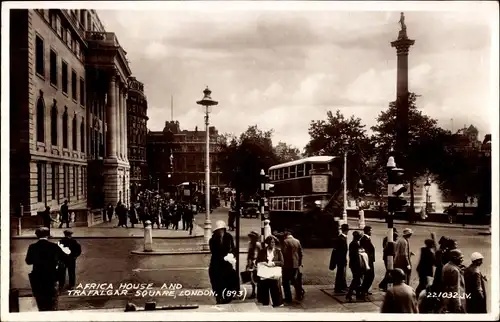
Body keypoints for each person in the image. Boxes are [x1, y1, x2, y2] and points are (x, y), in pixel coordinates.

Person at [25, 227, 69, 311]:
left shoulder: (32, 247)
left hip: (37, 277)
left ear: (37, 235)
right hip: (51, 276)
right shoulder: (54, 246)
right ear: (48, 236)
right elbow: (65, 259)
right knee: (52, 302)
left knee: (41, 301)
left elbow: (28, 261)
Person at [208, 220, 239, 304]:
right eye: (219, 230)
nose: (221, 232)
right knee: (216, 280)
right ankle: (218, 296)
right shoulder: (212, 240)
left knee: (232, 277)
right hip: (217, 262)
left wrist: (231, 255)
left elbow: (233, 247)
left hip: (227, 263)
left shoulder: (228, 237)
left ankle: (228, 295)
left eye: (222, 229)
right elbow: (214, 252)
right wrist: (223, 257)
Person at [257, 235, 284, 307]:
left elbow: (282, 262)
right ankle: (265, 303)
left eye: (274, 242)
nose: (273, 244)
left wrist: (273, 263)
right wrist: (263, 263)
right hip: (265, 273)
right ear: (268, 243)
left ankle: (276, 303)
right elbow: (258, 261)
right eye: (271, 242)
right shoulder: (262, 251)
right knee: (264, 289)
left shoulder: (278, 251)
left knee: (275, 289)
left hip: (273, 273)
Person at [282, 229, 305, 303]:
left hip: (287, 265)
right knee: (295, 280)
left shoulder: (285, 241)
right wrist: (299, 262)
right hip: (296, 264)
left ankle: (288, 298)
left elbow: (284, 253)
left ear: (286, 236)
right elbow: (301, 253)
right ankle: (300, 293)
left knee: (285, 281)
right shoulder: (297, 241)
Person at [346, 231, 365, 302]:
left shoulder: (354, 243)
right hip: (355, 264)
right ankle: (349, 294)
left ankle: (357, 293)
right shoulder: (354, 244)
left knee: (357, 279)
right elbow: (355, 256)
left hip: (354, 264)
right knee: (356, 279)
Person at [329, 224, 349, 294]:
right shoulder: (341, 239)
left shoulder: (340, 238)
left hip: (341, 259)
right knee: (340, 274)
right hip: (341, 259)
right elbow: (340, 251)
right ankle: (338, 288)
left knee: (341, 273)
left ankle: (342, 286)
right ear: (346, 230)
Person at [359, 226, 375, 295]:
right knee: (370, 275)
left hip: (369, 260)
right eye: (370, 230)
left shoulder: (366, 239)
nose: (371, 232)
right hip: (367, 261)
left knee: (369, 276)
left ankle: (365, 289)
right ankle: (363, 290)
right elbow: (366, 251)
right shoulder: (364, 239)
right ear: (368, 231)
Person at [246, 231, 262, 299]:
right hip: (251, 261)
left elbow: (260, 253)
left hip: (256, 262)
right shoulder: (250, 244)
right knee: (251, 277)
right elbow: (249, 254)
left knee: (257, 277)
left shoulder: (258, 244)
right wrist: (248, 263)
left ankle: (258, 292)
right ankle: (253, 292)